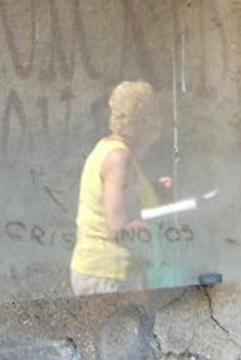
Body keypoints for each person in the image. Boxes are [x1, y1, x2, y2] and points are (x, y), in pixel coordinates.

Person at [69, 81, 171, 295]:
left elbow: (120, 198)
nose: (161, 122)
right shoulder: (119, 159)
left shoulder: (110, 150)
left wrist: (153, 192)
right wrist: (166, 229)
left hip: (103, 272)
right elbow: (119, 227)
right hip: (109, 276)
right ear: (144, 122)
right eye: (157, 114)